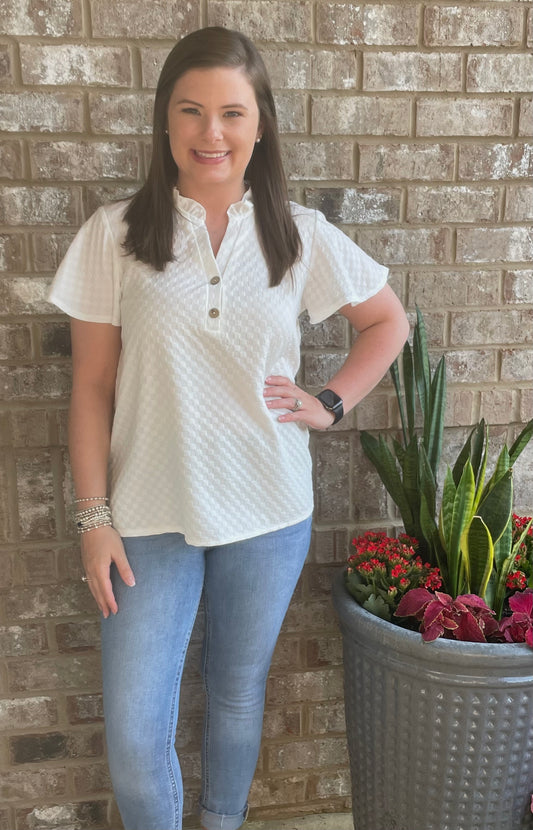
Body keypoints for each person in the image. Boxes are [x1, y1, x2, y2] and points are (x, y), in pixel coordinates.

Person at [48, 25, 409, 830]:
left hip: (268, 508)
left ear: (260, 123)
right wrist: (93, 518)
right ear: (165, 122)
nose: (211, 133)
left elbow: (386, 322)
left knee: (238, 695)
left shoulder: (298, 234)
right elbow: (93, 386)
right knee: (137, 733)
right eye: (191, 111)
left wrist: (330, 402)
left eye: (231, 113)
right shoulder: (115, 234)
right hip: (145, 516)